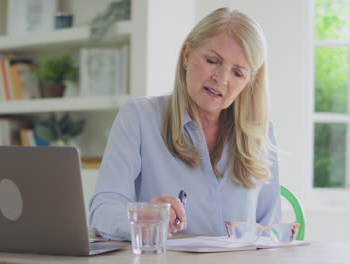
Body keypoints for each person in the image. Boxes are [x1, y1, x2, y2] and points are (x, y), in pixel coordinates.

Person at [89, 7, 281, 241]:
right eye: (212, 60)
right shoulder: (139, 117)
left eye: (238, 73)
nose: (221, 79)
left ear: (249, 82)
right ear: (187, 55)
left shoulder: (261, 134)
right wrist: (143, 218)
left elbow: (272, 231)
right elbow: (103, 209)